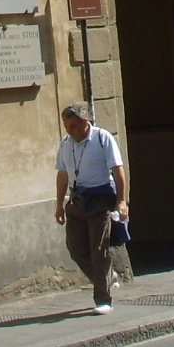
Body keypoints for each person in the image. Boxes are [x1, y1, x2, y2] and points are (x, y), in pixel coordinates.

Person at [54, 101, 128, 314]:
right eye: (67, 127)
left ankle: (103, 299)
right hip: (77, 200)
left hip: (100, 199)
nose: (71, 131)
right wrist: (59, 204)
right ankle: (108, 277)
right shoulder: (66, 143)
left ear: (85, 122)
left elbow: (118, 170)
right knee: (76, 248)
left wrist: (121, 201)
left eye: (74, 126)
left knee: (99, 250)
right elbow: (62, 174)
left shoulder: (102, 138)